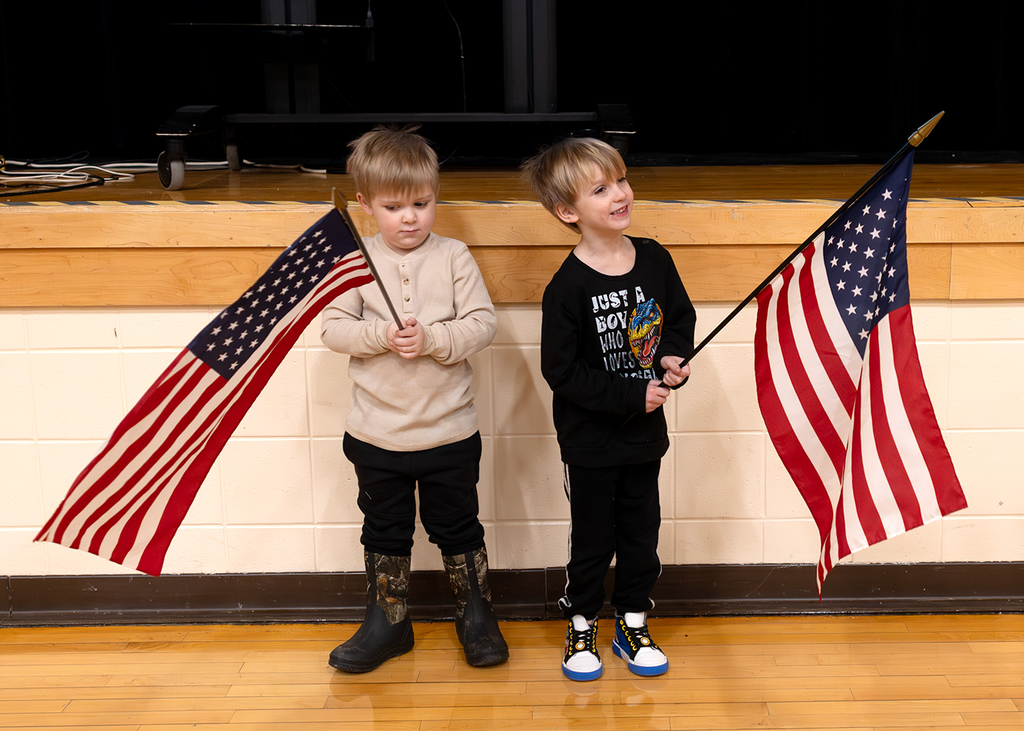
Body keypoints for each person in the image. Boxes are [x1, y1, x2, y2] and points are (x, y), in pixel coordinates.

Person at [321, 125, 507, 672]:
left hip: (449, 431)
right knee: (384, 530)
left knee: (458, 526)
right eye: (394, 206)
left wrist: (434, 339)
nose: (410, 217)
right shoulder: (354, 260)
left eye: (422, 204)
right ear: (365, 205)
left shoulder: (453, 256)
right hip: (377, 434)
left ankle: (475, 614)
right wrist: (381, 335)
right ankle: (389, 621)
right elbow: (332, 329)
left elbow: (482, 324)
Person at [523, 137, 696, 681]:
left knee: (641, 533)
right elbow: (562, 371)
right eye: (602, 189)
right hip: (590, 442)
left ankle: (632, 618)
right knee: (594, 536)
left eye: (621, 180)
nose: (620, 193)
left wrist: (672, 355)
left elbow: (679, 320)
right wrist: (628, 395)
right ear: (568, 212)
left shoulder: (655, 258)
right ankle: (581, 622)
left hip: (644, 437)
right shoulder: (567, 286)